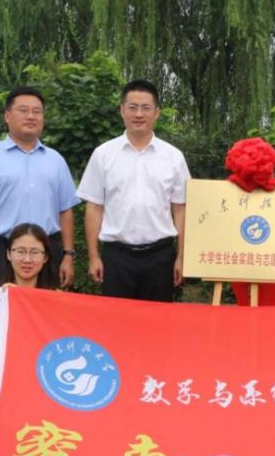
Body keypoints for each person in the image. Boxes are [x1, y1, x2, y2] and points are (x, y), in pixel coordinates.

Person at [0, 86, 79, 293]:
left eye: (37, 111)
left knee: (45, 310)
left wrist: (68, 255)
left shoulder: (56, 160)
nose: (31, 116)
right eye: (23, 110)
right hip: (0, 251)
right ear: (7, 116)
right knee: (0, 307)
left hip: (46, 251)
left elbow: (66, 211)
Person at [77, 79, 190, 301]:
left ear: (156, 113)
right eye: (133, 107)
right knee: (116, 319)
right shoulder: (103, 154)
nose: (139, 114)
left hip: (160, 257)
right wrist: (93, 256)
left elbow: (181, 209)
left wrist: (181, 257)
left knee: (158, 319)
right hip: (116, 257)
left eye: (145, 108)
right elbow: (94, 207)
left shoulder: (173, 157)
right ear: (122, 111)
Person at [0, 223, 60, 403]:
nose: (27, 259)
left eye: (35, 252)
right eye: (20, 251)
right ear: (8, 254)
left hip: (44, 393)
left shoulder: (57, 300)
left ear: (45, 257)